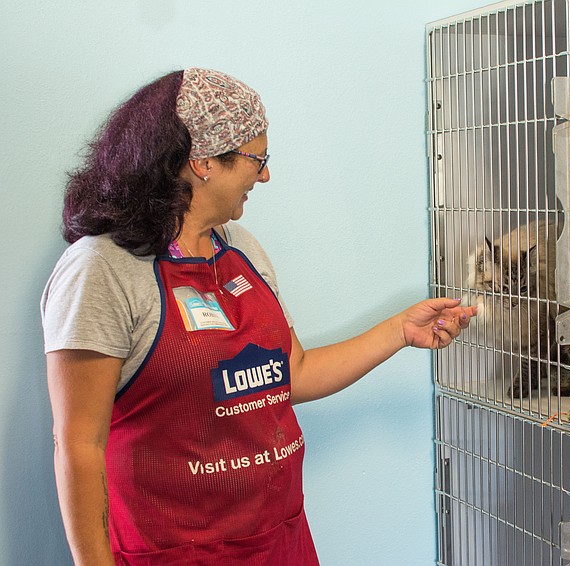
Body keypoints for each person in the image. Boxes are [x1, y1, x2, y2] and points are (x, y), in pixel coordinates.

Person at [41, 68, 476, 565]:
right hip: (171, 553)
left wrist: (399, 331)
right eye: (256, 158)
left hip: (277, 542)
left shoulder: (240, 248)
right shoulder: (102, 270)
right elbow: (78, 444)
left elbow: (291, 374)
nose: (264, 175)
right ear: (202, 160)